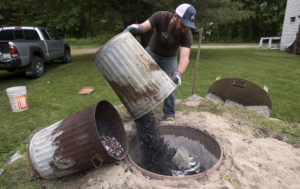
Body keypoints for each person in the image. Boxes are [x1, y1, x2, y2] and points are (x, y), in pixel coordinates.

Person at [125, 3, 196, 121]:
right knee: (140, 80)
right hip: (152, 52)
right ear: (175, 16)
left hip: (170, 58)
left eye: (187, 26)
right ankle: (138, 111)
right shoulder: (161, 16)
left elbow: (185, 58)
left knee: (171, 84)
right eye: (183, 24)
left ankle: (169, 114)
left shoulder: (186, 34)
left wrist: (179, 74)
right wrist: (137, 28)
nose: (184, 29)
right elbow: (144, 26)